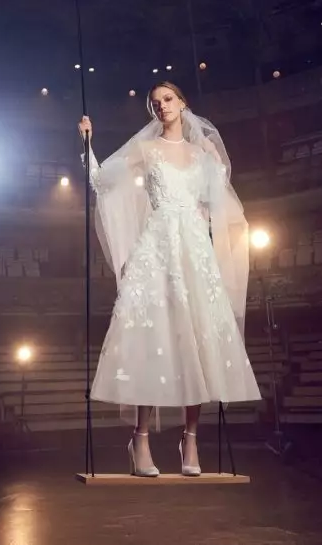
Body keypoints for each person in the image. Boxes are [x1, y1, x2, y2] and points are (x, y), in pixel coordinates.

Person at [78, 81, 261, 477]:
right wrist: (88, 143)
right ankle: (140, 440)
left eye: (168, 99)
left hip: (193, 250)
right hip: (158, 248)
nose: (162, 106)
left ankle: (190, 439)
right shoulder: (146, 149)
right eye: (155, 102)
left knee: (195, 340)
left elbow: (217, 201)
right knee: (154, 338)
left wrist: (215, 166)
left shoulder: (201, 152)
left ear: (182, 103)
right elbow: (102, 182)